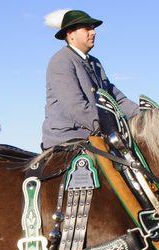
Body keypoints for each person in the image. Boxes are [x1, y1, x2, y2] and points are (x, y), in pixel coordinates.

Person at [42, 9, 138, 148]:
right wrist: (113, 124)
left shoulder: (95, 62)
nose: (93, 32)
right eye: (87, 28)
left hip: (95, 136)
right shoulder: (61, 61)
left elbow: (116, 99)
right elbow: (76, 108)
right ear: (70, 34)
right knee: (111, 169)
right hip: (68, 138)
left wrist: (147, 116)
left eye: (93, 28)